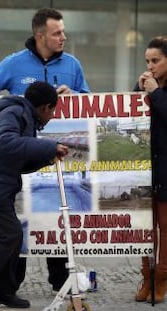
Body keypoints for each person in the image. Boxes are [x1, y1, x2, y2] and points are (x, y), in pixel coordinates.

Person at [0, 7, 90, 293]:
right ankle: (11, 285)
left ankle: (61, 280)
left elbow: (91, 101)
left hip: (58, 154)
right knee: (23, 215)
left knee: (56, 212)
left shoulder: (73, 65)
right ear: (40, 36)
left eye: (63, 31)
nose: (63, 36)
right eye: (57, 33)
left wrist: (75, 97)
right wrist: (13, 107)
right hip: (23, 157)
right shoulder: (13, 63)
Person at [0, 81, 69, 308]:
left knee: (13, 236)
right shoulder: (14, 113)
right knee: (9, 235)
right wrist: (48, 146)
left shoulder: (24, 118)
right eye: (53, 110)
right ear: (45, 107)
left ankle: (1, 292)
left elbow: (19, 161)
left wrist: (46, 158)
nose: (52, 115)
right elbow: (6, 143)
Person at [134, 36, 167, 304]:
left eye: (155, 60)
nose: (150, 65)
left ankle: (162, 279)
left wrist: (156, 93)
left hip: (166, 170)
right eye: (147, 61)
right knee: (145, 229)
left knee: (165, 231)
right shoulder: (142, 86)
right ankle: (146, 276)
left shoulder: (156, 89)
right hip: (146, 170)